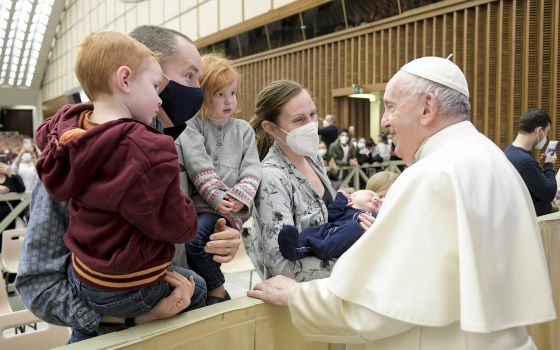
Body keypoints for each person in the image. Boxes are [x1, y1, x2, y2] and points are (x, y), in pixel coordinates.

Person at [248, 56, 555, 349]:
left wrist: (299, 297)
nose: (383, 121)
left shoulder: (432, 176)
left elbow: (377, 306)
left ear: (427, 108)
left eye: (391, 107)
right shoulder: (488, 156)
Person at [16, 25, 241, 343]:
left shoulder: (173, 139)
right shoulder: (73, 157)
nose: (198, 92)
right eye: (190, 77)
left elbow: (202, 212)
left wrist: (225, 233)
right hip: (109, 336)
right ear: (134, 76)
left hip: (178, 319)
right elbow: (37, 283)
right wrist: (127, 318)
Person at [248, 80, 374, 281]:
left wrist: (351, 218)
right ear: (270, 128)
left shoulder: (312, 156)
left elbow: (326, 218)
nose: (310, 125)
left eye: (313, 115)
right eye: (299, 120)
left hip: (331, 290)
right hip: (296, 299)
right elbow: (281, 265)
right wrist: (356, 266)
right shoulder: (272, 177)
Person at [178, 54, 261, 304]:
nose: (229, 101)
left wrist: (238, 198)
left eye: (232, 93)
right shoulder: (191, 125)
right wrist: (216, 195)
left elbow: (252, 169)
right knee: (196, 244)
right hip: (204, 206)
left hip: (229, 208)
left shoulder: (243, 130)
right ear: (202, 95)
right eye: (219, 94)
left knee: (196, 243)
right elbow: (197, 164)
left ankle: (215, 290)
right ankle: (217, 290)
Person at [278, 190, 381, 261]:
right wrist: (341, 199)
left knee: (354, 227)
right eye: (370, 195)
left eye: (380, 202)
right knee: (311, 232)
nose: (376, 199)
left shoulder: (375, 217)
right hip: (327, 232)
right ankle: (294, 248)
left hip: (347, 244)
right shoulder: (344, 208)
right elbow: (330, 216)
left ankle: (322, 248)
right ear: (350, 200)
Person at [505, 109, 557, 216]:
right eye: (546, 133)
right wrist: (549, 165)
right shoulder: (525, 162)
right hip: (535, 221)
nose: (546, 138)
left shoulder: (509, 151)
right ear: (539, 131)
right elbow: (549, 193)